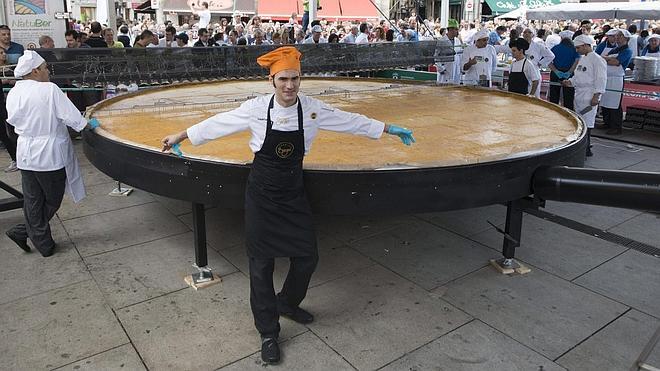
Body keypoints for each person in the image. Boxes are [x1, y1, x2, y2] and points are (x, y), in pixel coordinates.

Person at [160, 46, 414, 364]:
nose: (289, 85)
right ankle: (268, 331)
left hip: (293, 195)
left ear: (300, 79)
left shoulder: (311, 110)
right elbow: (218, 123)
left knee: (307, 257)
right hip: (262, 196)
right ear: (272, 80)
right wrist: (181, 135)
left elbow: (351, 121)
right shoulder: (255, 109)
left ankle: (288, 302)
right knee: (261, 266)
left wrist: (389, 129)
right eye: (283, 79)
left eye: (295, 78)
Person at [5, 51, 96, 257]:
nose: (48, 71)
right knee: (53, 199)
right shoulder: (49, 90)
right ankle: (31, 236)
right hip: (49, 155)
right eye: (46, 67)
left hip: (25, 153)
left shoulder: (14, 92)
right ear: (35, 70)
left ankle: (39, 240)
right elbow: (74, 119)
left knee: (33, 200)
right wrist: (90, 124)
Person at [562, 35, 606, 157]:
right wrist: (570, 81)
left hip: (589, 94)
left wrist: (596, 96)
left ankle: (586, 148)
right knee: (580, 121)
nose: (577, 50)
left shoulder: (597, 60)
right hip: (579, 93)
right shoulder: (582, 59)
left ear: (586, 45)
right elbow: (578, 76)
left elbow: (601, 79)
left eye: (578, 48)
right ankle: (582, 146)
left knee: (588, 122)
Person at [599, 30, 633, 135]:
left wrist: (605, 58)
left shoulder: (627, 51)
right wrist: (607, 59)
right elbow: (607, 60)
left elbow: (616, 62)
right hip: (607, 77)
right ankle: (607, 122)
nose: (617, 37)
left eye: (620, 36)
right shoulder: (614, 49)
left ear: (626, 38)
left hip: (616, 79)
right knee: (605, 101)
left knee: (615, 103)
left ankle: (616, 126)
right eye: (617, 35)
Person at [548, 35, 580, 110]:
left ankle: (553, 112)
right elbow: (577, 61)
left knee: (554, 97)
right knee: (568, 98)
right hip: (569, 74)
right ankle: (569, 114)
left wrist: (556, 71)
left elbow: (548, 60)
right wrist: (569, 72)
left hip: (555, 73)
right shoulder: (574, 48)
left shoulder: (555, 48)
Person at [522, 28, 554, 97]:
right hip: (521, 74)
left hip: (534, 73)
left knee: (534, 98)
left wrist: (540, 63)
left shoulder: (539, 46)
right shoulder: (519, 46)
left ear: (533, 35)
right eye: (525, 32)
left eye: (529, 32)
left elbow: (551, 56)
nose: (527, 34)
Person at [0, 48, 17, 172]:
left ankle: (17, 159)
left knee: (10, 133)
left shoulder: (9, 69)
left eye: (3, 52)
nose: (4, 55)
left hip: (6, 106)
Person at [436, 18, 462, 85]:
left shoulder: (457, 41)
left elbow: (459, 54)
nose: (457, 31)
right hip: (445, 70)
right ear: (450, 29)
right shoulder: (441, 41)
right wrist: (441, 68)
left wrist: (461, 67)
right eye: (456, 29)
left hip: (456, 69)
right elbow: (436, 56)